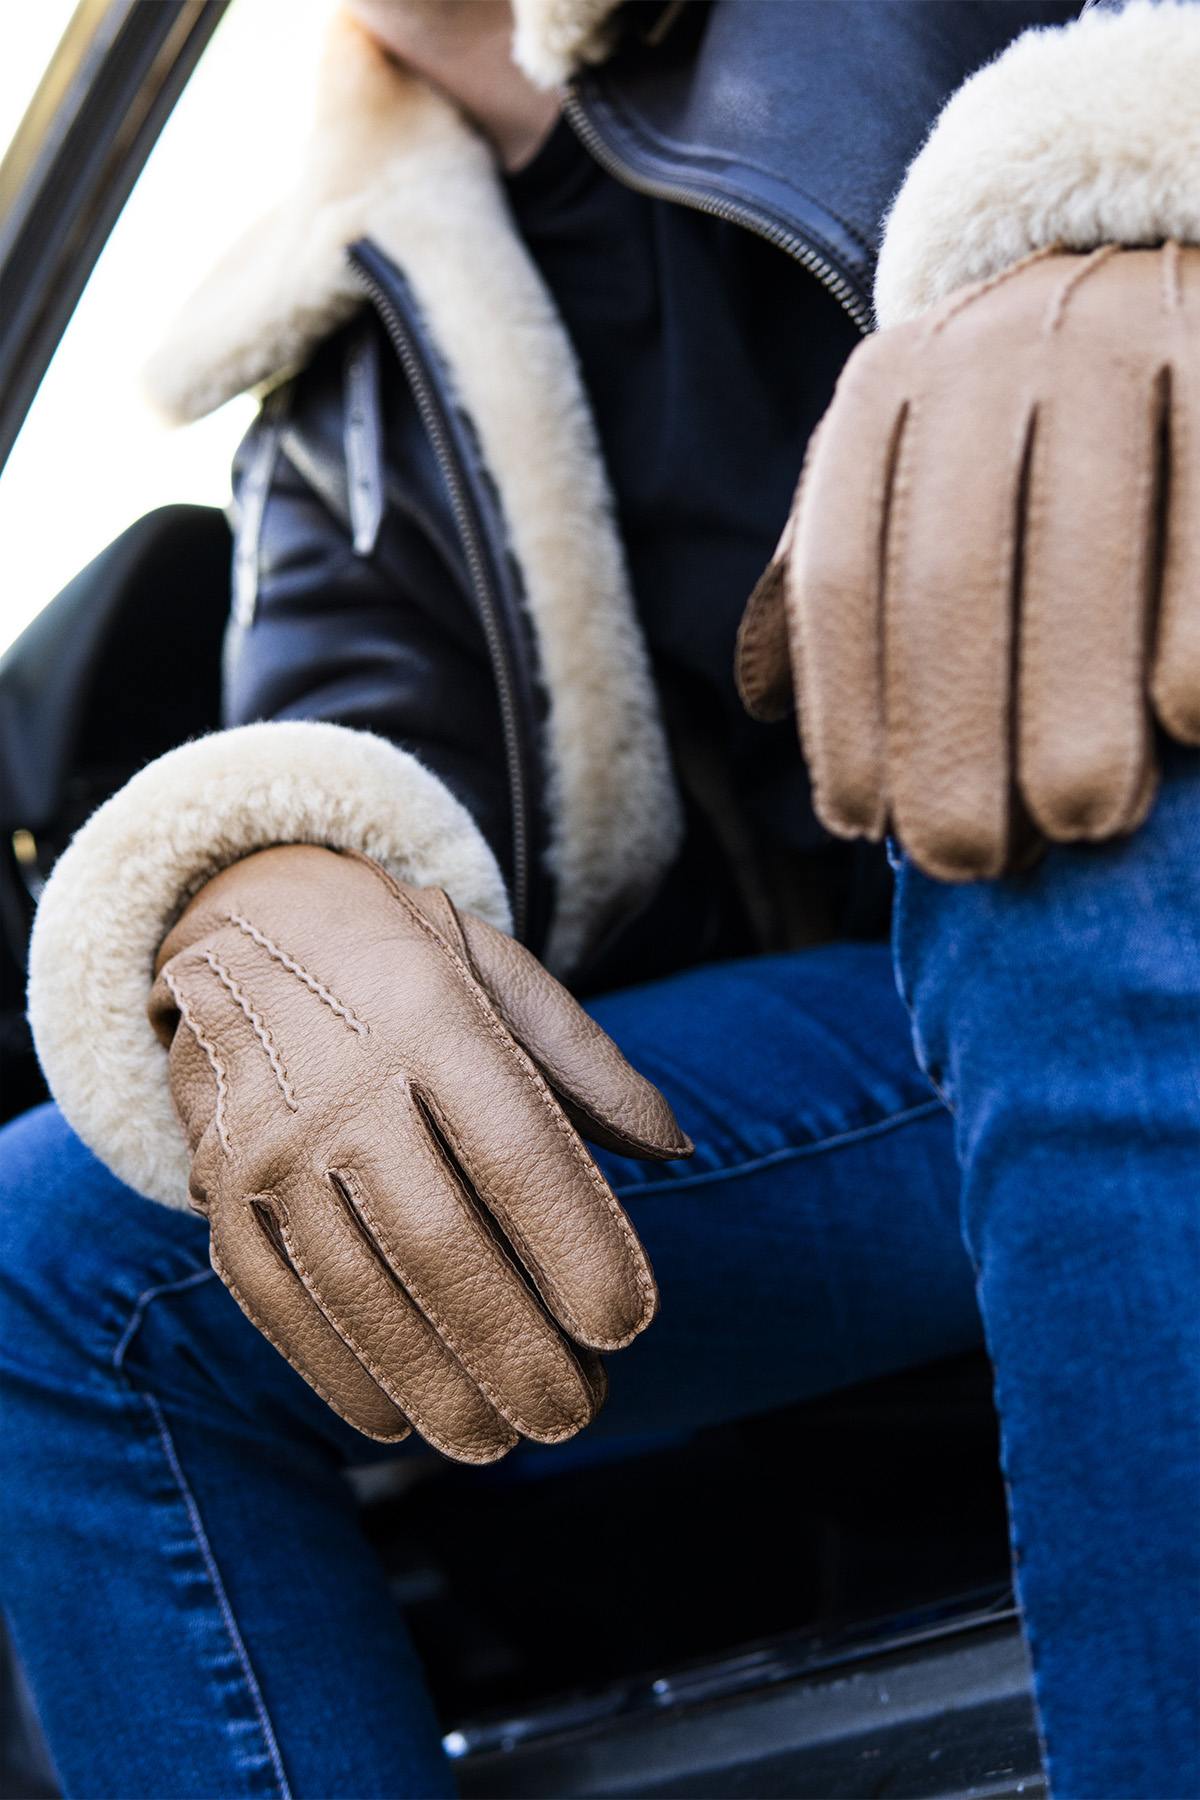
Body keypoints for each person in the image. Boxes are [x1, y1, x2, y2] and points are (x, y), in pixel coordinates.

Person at [2, 0, 1198, 1793]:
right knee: (57, 1264)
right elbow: (354, 729)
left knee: (1052, 853)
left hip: (1124, 884)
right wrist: (257, 879)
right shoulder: (346, 349)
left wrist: (1157, 211)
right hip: (903, 1052)